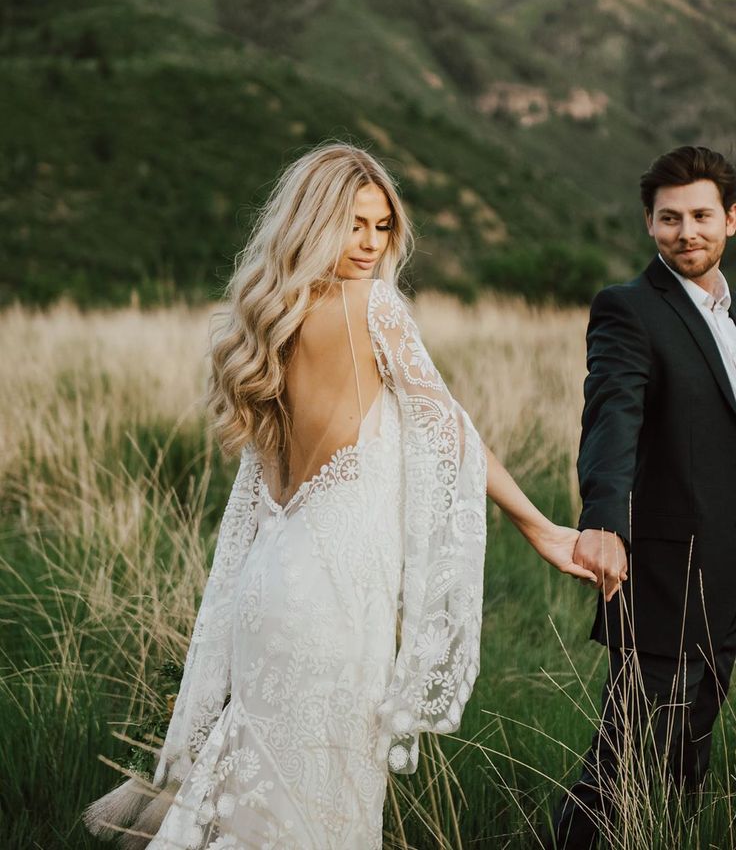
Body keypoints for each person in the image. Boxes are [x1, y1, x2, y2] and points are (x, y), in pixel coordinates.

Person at [84, 143, 591, 849]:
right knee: (322, 800)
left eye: (382, 227)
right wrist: (538, 525)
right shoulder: (375, 307)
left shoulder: (266, 317)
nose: (370, 244)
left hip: (269, 589)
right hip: (332, 602)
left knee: (257, 791)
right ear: (314, 221)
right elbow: (451, 431)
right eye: (354, 223)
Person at [549, 145, 736, 849]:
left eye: (699, 215)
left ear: (731, 220)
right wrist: (602, 520)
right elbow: (611, 417)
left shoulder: (734, 317)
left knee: (690, 759)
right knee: (624, 758)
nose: (685, 231)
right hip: (666, 573)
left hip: (728, 576)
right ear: (649, 225)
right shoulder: (629, 309)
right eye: (668, 218)